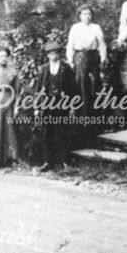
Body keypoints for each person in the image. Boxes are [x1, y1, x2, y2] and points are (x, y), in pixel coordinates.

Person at [34, 41, 77, 170]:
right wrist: (37, 108)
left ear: (59, 54)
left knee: (62, 132)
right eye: (51, 54)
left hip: (62, 105)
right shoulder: (44, 69)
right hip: (47, 106)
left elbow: (73, 89)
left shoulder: (66, 68)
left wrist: (72, 107)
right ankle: (48, 162)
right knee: (47, 133)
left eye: (56, 53)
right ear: (48, 55)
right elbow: (38, 89)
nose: (54, 56)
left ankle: (65, 162)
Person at [66, 5, 107, 115]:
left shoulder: (96, 27)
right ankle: (83, 116)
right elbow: (70, 45)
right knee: (82, 85)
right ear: (80, 15)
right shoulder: (75, 27)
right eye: (84, 14)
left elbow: (102, 45)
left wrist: (103, 59)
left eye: (89, 14)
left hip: (93, 56)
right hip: (80, 57)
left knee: (95, 84)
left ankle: (96, 116)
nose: (87, 16)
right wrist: (70, 60)